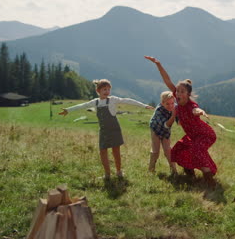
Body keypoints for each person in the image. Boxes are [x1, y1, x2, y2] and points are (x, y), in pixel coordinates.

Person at [59, 79, 154, 180]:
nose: (107, 91)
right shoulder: (95, 102)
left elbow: (128, 100)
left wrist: (144, 106)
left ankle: (119, 172)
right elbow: (82, 105)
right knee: (102, 151)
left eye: (108, 89)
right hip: (103, 130)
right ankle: (107, 174)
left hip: (114, 130)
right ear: (98, 91)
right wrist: (68, 110)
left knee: (116, 151)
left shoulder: (113, 99)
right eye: (104, 89)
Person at [144, 56, 217, 187]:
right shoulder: (177, 99)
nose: (178, 93)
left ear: (188, 94)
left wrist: (200, 112)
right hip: (192, 136)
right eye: (177, 91)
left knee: (197, 150)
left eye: (182, 91)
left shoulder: (191, 105)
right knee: (178, 149)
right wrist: (158, 64)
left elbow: (196, 109)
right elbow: (167, 80)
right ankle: (189, 173)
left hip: (205, 134)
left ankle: (210, 180)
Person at [148, 91, 178, 175]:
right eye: (167, 104)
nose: (170, 106)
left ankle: (174, 171)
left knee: (168, 150)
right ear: (162, 103)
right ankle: (151, 169)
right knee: (155, 150)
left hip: (166, 130)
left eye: (172, 103)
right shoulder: (159, 111)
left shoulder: (175, 107)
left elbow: (178, 119)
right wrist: (173, 116)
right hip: (156, 129)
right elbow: (166, 125)